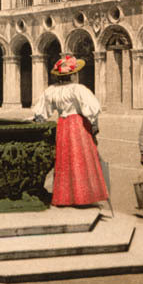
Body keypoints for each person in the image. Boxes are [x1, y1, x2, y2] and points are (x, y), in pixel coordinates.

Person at [32, 54, 109, 207]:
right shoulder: (78, 89)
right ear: (73, 75)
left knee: (64, 159)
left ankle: (64, 197)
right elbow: (92, 109)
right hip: (78, 125)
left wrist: (38, 120)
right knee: (81, 159)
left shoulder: (51, 91)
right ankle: (83, 197)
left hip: (63, 125)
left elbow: (41, 112)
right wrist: (94, 126)